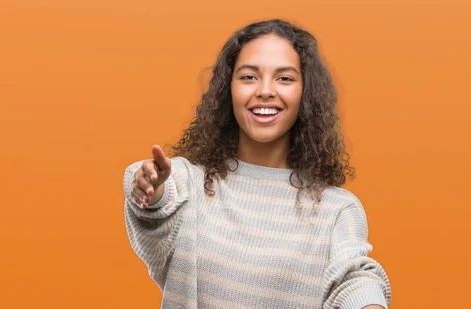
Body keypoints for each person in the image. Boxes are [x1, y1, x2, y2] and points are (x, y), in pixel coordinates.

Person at [122, 19, 391, 309]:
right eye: (249, 77)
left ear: (305, 94)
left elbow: (351, 278)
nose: (265, 90)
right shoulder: (189, 184)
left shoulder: (337, 209)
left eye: (284, 78)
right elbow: (157, 206)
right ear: (229, 90)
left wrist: (367, 302)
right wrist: (151, 189)